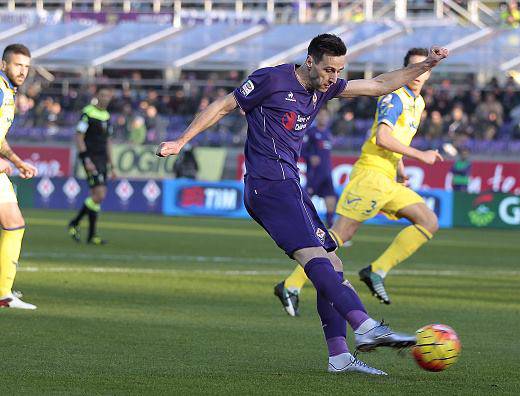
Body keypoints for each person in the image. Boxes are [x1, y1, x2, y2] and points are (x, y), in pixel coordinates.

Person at [157, 35, 448, 375]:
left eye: (338, 70)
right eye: (328, 69)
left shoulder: (325, 87)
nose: (333, 77)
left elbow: (380, 84)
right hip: (269, 184)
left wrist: (427, 64)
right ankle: (366, 326)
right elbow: (223, 106)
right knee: (313, 257)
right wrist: (181, 141)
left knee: (333, 262)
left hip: (288, 185)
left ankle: (339, 357)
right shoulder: (271, 79)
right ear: (310, 61)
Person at [275, 47, 444, 311]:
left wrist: (400, 169)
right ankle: (291, 284)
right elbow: (383, 138)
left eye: (425, 68)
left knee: (428, 221)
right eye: (415, 67)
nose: (420, 73)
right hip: (371, 175)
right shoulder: (395, 97)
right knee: (339, 235)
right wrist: (420, 156)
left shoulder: (418, 102)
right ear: (407, 69)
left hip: (388, 177)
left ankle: (376, 271)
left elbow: (395, 141)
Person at [0, 44, 38, 310]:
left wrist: (16, 161)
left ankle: (3, 292)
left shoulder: (8, 93)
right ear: (4, 65)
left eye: (26, 66)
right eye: (17, 65)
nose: (23, 71)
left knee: (14, 223)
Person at [68, 88, 115, 245]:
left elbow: (108, 140)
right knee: (99, 194)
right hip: (91, 158)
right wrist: (85, 158)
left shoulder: (107, 117)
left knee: (97, 196)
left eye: (108, 96)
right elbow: (79, 136)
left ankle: (91, 235)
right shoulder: (88, 112)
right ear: (97, 97)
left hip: (102, 159)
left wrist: (112, 164)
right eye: (103, 95)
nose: (105, 98)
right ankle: (75, 223)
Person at [302, 108, 336, 227]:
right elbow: (301, 150)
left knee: (331, 200)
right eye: (321, 115)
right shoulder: (311, 132)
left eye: (325, 116)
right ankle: (303, 226)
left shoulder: (328, 133)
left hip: (327, 173)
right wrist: (310, 156)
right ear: (317, 117)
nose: (323, 118)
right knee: (306, 202)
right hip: (314, 174)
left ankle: (331, 230)